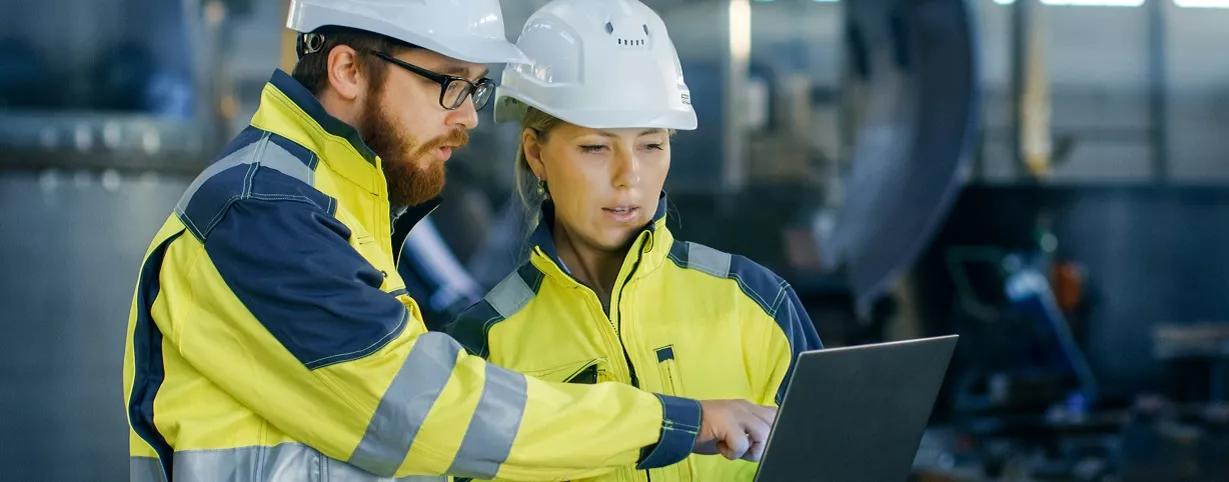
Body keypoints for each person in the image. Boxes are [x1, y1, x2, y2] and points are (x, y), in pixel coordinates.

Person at [122, 1, 776, 480]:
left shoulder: (339, 205)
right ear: (349, 69)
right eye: (449, 84)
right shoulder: (260, 212)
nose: (467, 115)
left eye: (474, 87)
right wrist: (671, 422)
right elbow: (419, 414)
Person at [447, 1, 822, 480]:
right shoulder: (486, 347)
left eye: (651, 144)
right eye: (596, 148)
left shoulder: (757, 303)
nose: (630, 177)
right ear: (536, 154)